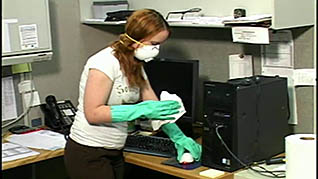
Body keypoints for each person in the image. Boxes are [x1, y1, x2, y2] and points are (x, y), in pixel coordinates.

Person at [64, 9, 202, 179]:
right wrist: (140, 110)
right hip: (88, 151)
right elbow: (93, 113)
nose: (157, 49)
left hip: (114, 149)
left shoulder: (135, 63)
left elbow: (154, 104)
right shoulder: (104, 63)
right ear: (136, 39)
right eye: (153, 43)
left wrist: (178, 137)